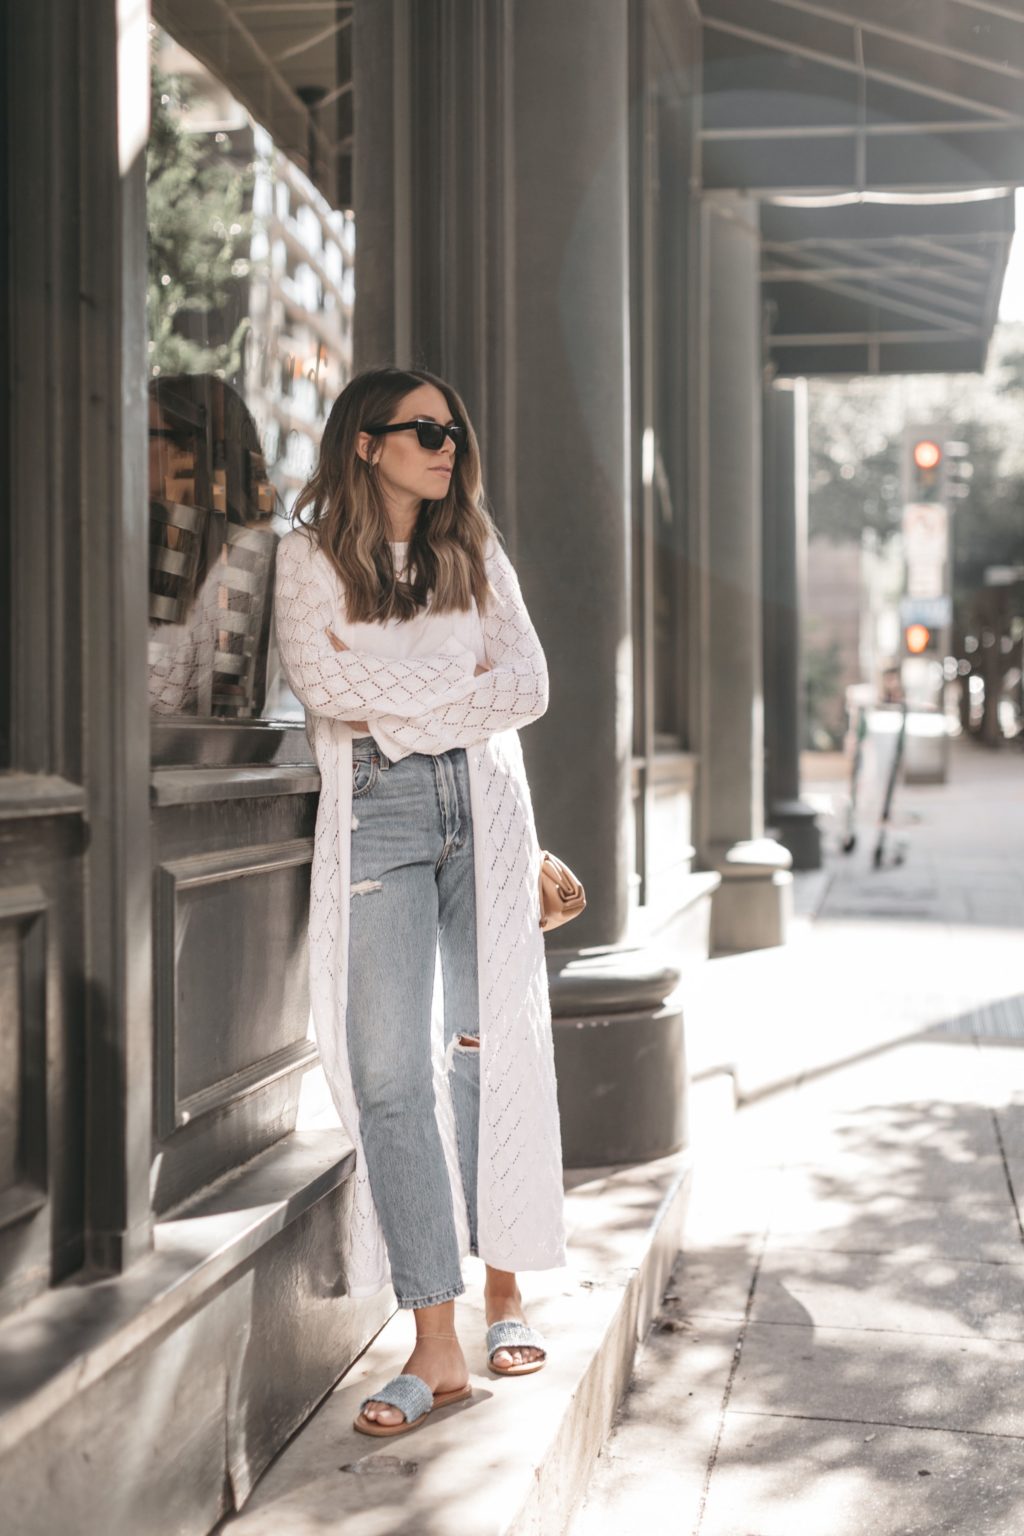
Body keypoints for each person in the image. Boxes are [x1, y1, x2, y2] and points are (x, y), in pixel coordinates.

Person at [273, 366, 566, 1437]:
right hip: (379, 816)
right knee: (392, 1072)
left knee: (484, 1047)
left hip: (485, 807)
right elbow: (324, 684)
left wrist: (407, 715)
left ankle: (504, 1289)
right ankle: (433, 1340)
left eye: (453, 430)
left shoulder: (473, 551)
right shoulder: (305, 559)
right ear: (365, 443)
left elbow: (528, 687)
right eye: (423, 429)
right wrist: (451, 704)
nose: (446, 445)